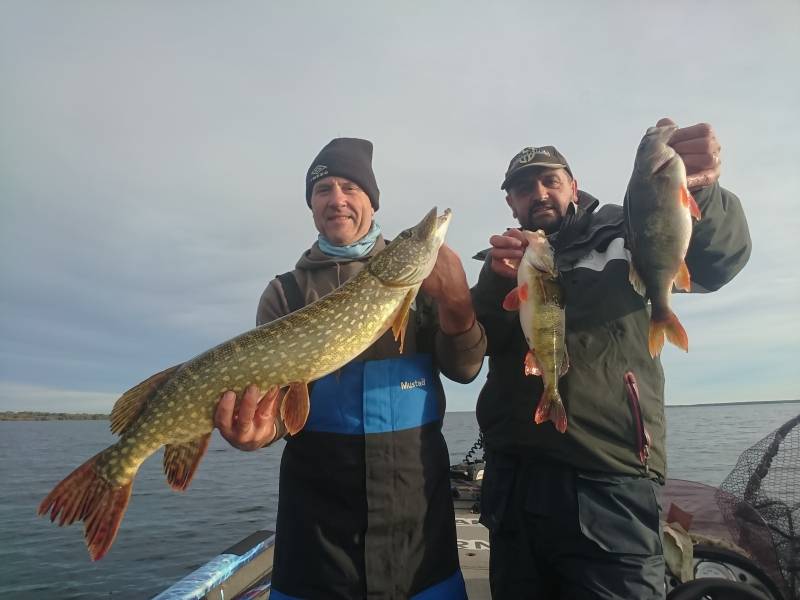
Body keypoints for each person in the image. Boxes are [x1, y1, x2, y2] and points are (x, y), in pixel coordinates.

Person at [471, 118, 752, 599]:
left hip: (611, 482)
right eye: (523, 188)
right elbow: (476, 352)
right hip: (514, 484)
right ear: (511, 203)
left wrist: (702, 194)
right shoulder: (505, 260)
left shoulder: (628, 231)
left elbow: (716, 259)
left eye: (549, 181)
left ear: (573, 187)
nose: (538, 193)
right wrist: (496, 285)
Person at [214, 137, 486, 599]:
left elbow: (465, 369)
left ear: (371, 202)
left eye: (350, 188)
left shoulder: (421, 287)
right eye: (323, 190)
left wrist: (458, 303)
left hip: (418, 541)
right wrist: (257, 432)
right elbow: (280, 411)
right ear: (312, 207)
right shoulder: (284, 294)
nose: (336, 199)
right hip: (318, 545)